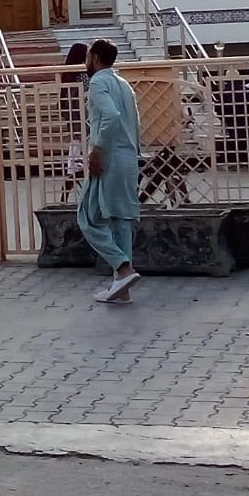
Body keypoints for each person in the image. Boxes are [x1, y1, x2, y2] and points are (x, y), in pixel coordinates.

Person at [77, 39, 141, 304]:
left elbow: (112, 117)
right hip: (128, 156)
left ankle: (123, 267)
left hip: (111, 157)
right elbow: (133, 122)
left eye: (88, 55)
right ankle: (122, 287)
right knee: (120, 220)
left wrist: (98, 149)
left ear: (95, 58)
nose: (86, 60)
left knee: (87, 216)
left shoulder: (98, 82)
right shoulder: (124, 84)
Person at [58, 42, 88, 200]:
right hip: (85, 121)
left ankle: (65, 195)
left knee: (74, 160)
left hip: (74, 121)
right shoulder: (83, 74)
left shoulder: (67, 75)